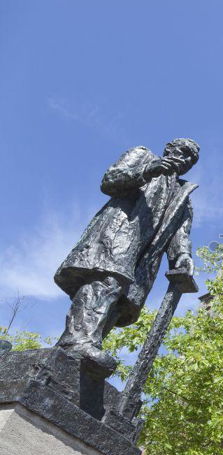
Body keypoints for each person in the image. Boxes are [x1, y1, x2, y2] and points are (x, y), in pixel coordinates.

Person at [54, 138, 199, 373]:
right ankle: (77, 341)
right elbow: (110, 181)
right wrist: (148, 171)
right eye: (183, 153)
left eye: (191, 160)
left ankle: (88, 347)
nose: (185, 160)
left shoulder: (183, 195)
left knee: (121, 302)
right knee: (106, 283)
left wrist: (182, 255)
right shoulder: (143, 156)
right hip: (117, 237)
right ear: (169, 149)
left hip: (143, 261)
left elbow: (180, 233)